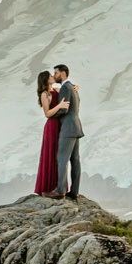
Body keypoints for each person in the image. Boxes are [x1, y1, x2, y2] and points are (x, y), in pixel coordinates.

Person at [50, 64, 83, 199]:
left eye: (56, 73)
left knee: (62, 158)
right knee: (75, 160)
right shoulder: (73, 88)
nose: (55, 75)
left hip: (68, 128)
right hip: (76, 126)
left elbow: (64, 109)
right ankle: (74, 191)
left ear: (63, 73)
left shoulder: (65, 87)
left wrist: (51, 116)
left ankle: (60, 190)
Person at [32, 70, 62, 197]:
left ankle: (57, 187)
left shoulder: (55, 90)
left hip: (59, 126)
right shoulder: (45, 94)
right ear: (46, 80)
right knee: (50, 154)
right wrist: (60, 105)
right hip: (51, 126)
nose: (53, 76)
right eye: (50, 76)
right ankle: (47, 187)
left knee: (58, 155)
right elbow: (47, 114)